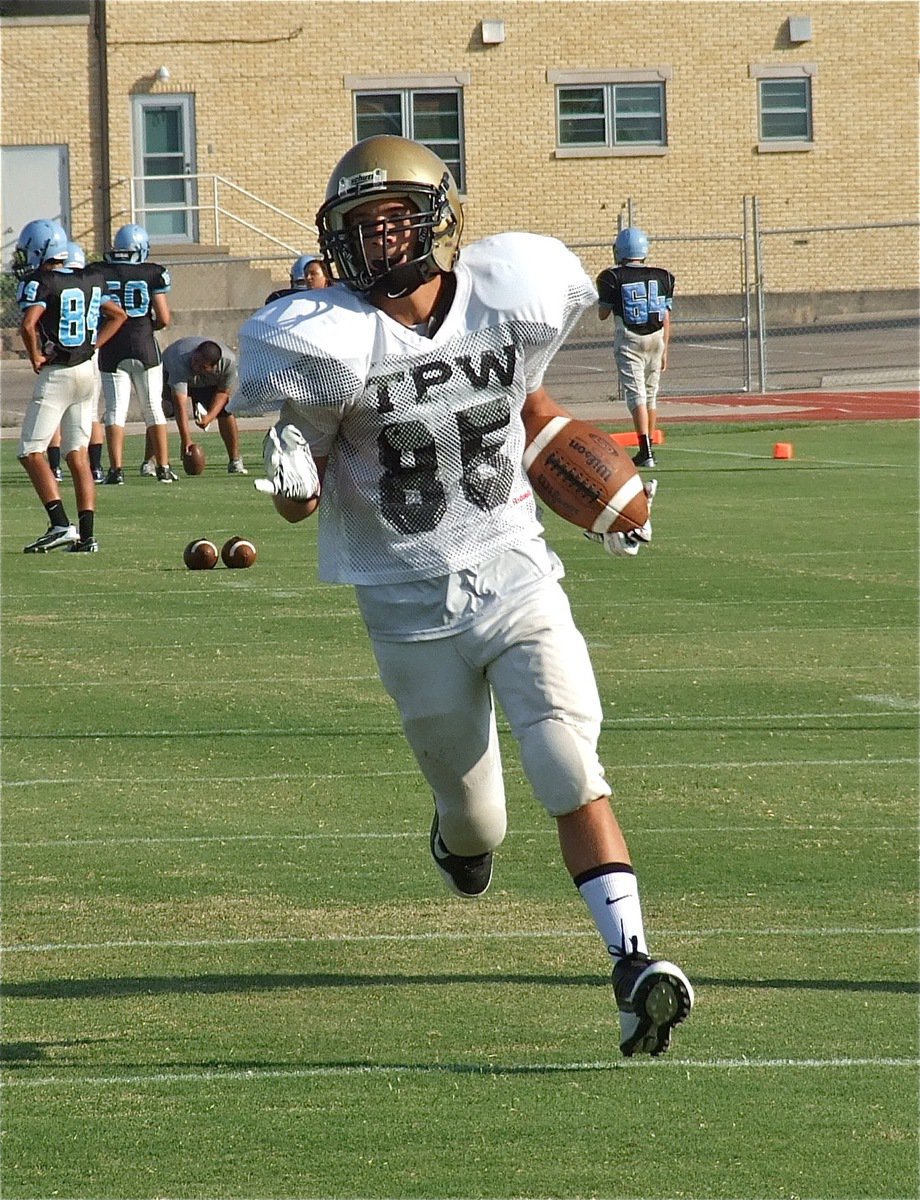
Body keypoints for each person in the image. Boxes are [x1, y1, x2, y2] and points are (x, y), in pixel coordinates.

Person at [230, 136, 693, 1058]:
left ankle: (634, 962)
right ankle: (459, 843)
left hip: (514, 570)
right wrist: (292, 481)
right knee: (478, 816)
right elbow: (302, 493)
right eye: (360, 226)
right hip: (405, 604)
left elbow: (527, 411)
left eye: (394, 218)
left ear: (439, 218)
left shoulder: (508, 294)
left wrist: (598, 499)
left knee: (567, 758)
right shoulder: (324, 339)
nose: (379, 240)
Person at [13, 219, 127, 553]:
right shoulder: (90, 277)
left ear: (39, 249)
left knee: (31, 451)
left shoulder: (42, 282)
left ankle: (60, 523)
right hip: (86, 373)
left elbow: (29, 324)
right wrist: (93, 346)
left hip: (59, 373)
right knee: (77, 453)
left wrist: (34, 356)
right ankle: (88, 535)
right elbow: (118, 315)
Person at [87, 223, 175, 485]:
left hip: (112, 346)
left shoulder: (100, 272)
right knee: (153, 408)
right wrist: (148, 327)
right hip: (144, 345)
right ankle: (163, 468)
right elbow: (164, 318)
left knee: (115, 411)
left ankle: (116, 470)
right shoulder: (152, 273)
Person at [596, 226, 674, 469]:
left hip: (630, 338)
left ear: (620, 251)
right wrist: (665, 349)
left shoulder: (611, 276)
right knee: (651, 395)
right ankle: (648, 446)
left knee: (636, 396)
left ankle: (645, 451)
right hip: (656, 337)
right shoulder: (663, 276)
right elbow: (665, 316)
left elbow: (603, 314)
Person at [161, 336, 247, 474]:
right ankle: (151, 461)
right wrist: (186, 440)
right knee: (161, 411)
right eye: (195, 361)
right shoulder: (180, 360)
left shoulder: (228, 363)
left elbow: (223, 392)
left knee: (225, 411)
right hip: (168, 373)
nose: (195, 367)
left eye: (202, 366)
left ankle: (235, 460)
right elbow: (180, 404)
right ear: (194, 353)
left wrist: (209, 417)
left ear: (214, 366)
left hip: (207, 380)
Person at [264, 253, 332, 303]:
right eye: (306, 275)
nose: (308, 278)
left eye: (313, 274)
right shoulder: (280, 299)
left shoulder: (335, 297)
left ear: (326, 276)